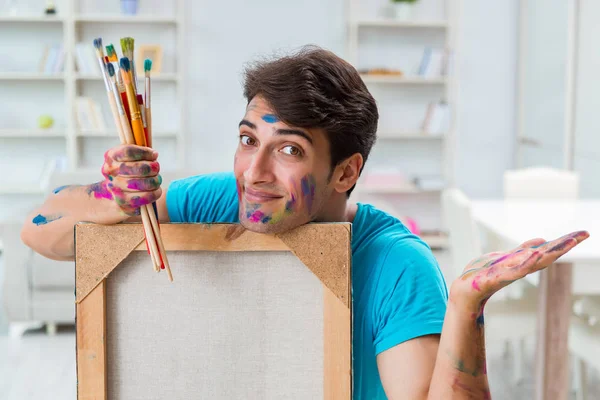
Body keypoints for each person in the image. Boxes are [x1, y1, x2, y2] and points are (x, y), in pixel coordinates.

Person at [21, 46, 588, 399]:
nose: (255, 172)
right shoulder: (224, 199)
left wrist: (467, 304)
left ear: (346, 172)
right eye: (248, 140)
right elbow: (40, 230)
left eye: (288, 151)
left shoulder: (397, 265)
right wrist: (116, 201)